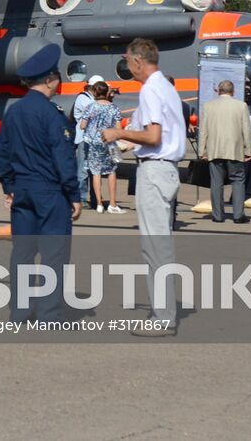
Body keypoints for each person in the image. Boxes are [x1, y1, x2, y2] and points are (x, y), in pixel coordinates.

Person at [101, 38, 185, 336]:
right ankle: (163, 313)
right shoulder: (164, 87)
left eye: (128, 63)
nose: (127, 69)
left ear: (138, 62)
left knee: (155, 247)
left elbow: (153, 137)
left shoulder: (151, 89)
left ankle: (163, 318)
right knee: (159, 245)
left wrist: (118, 132)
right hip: (164, 170)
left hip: (155, 169)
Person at [0, 44, 82, 322]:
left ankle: (19, 312)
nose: (60, 82)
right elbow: (63, 158)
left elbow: (1, 154)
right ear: (49, 80)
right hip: (50, 192)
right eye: (57, 76)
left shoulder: (14, 112)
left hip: (22, 190)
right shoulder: (51, 115)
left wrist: (9, 186)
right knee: (53, 254)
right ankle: (49, 314)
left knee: (22, 252)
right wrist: (74, 194)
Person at [197, 79, 251, 223]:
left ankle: (217, 215)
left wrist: (201, 150)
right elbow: (246, 130)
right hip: (235, 149)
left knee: (216, 183)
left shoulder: (208, 106)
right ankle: (238, 215)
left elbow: (203, 131)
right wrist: (249, 149)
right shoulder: (241, 106)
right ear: (233, 92)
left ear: (218, 91)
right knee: (238, 181)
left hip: (214, 150)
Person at [81, 81, 124, 213]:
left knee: (96, 173)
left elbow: (82, 125)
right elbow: (119, 128)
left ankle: (99, 204)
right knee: (112, 171)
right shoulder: (114, 108)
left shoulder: (90, 107)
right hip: (110, 142)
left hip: (93, 142)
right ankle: (112, 204)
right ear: (106, 93)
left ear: (94, 92)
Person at [71, 75, 104, 208]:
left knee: (95, 169)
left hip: (95, 139)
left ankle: (95, 197)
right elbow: (94, 112)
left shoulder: (94, 99)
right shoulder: (83, 98)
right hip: (84, 139)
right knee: (83, 169)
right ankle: (81, 197)